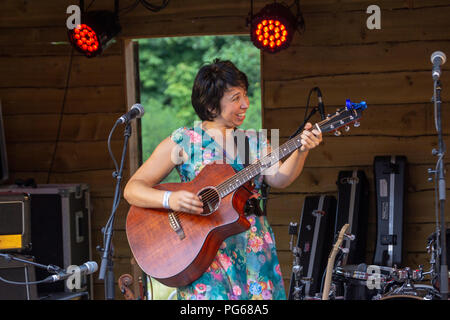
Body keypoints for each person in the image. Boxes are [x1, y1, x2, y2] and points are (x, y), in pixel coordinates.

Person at [123, 59, 322, 300]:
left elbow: (279, 178)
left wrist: (302, 150)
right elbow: (133, 188)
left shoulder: (251, 141)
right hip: (201, 251)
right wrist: (171, 199)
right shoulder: (186, 140)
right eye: (236, 98)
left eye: (245, 96)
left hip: (253, 246)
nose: (245, 104)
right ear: (211, 105)